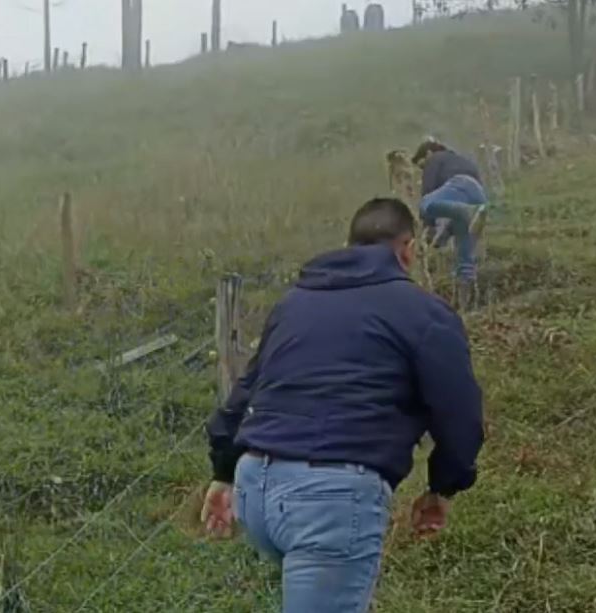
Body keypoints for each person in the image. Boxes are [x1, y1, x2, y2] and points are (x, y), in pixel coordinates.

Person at [201, 197, 485, 613]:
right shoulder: (423, 313)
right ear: (407, 248)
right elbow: (458, 412)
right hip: (330, 501)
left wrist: (224, 472)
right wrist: (443, 486)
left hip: (256, 491)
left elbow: (246, 391)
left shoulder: (293, 303)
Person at [412, 140, 489, 308]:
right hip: (478, 197)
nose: (423, 170)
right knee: (464, 259)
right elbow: (450, 207)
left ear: (428, 154)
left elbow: (429, 190)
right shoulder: (462, 160)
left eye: (422, 166)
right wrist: (442, 235)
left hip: (460, 187)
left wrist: (428, 227)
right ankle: (466, 305)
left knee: (425, 204)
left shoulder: (436, 158)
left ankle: (468, 213)